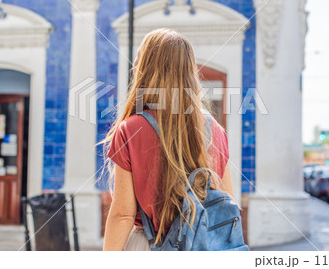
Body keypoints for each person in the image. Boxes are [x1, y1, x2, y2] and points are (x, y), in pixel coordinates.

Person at [101, 28, 235, 251]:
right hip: (202, 247)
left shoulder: (130, 130)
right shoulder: (215, 130)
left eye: (138, 60)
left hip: (146, 246)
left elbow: (123, 214)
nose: (134, 66)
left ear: (145, 70)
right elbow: (227, 201)